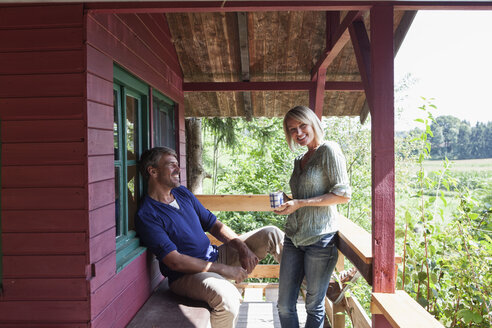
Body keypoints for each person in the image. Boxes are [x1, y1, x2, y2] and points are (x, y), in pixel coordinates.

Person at [135, 146, 284, 328]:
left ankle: (312, 287)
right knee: (228, 299)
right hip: (186, 276)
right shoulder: (147, 214)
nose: (177, 169)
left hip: (214, 257)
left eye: (177, 164)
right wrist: (223, 269)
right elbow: (175, 262)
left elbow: (214, 224)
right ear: (153, 171)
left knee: (272, 233)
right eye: (171, 164)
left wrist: (242, 248)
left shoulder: (182, 193)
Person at [274, 106, 352, 328]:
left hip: (320, 239)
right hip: (293, 238)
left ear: (313, 124)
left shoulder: (329, 150)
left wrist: (299, 203)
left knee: (313, 306)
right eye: (292, 129)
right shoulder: (300, 159)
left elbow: (343, 195)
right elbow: (304, 196)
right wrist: (287, 201)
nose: (298, 133)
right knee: (284, 306)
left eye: (302, 126)